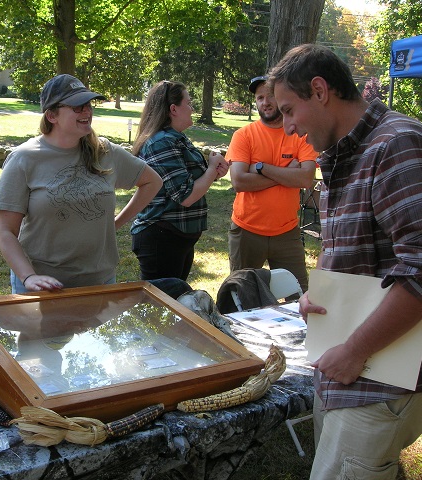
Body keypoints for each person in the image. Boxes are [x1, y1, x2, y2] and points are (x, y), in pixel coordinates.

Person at [268, 44, 422, 479]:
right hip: (346, 372)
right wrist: (322, 294)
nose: (289, 128)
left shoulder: (395, 146)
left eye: (289, 110)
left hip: (379, 377)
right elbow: (369, 252)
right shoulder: (342, 152)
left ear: (319, 90)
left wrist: (355, 350)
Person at [0, 74, 162, 293]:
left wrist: (116, 223)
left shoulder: (105, 151)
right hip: (42, 285)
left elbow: (152, 181)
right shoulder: (23, 158)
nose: (87, 111)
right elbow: (6, 231)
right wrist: (29, 277)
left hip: (100, 280)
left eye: (88, 105)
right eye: (77, 106)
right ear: (52, 115)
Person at [225, 75, 318, 292]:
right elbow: (239, 181)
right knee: (241, 296)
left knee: (299, 295)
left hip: (287, 232)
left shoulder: (300, 135)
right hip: (247, 230)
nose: (265, 102)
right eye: (259, 98)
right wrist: (286, 173)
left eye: (269, 96)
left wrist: (259, 168)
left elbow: (305, 178)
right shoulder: (243, 136)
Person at [130, 80, 229, 281]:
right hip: (161, 238)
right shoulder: (161, 142)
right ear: (173, 109)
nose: (192, 109)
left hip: (176, 237)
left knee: (172, 302)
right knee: (160, 306)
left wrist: (215, 172)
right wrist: (211, 169)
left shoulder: (176, 138)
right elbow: (185, 196)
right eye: (189, 103)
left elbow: (186, 180)